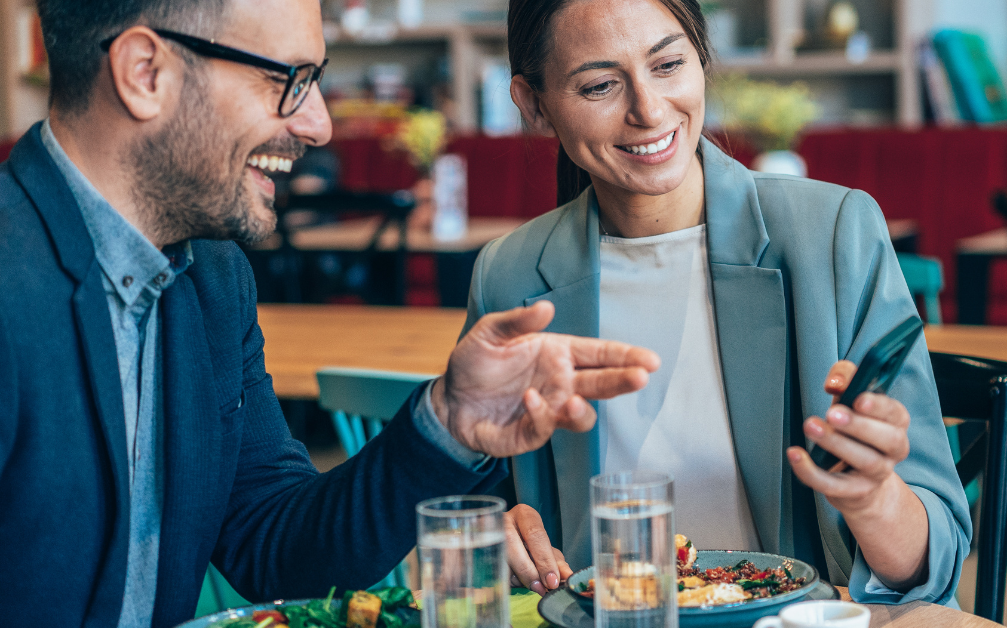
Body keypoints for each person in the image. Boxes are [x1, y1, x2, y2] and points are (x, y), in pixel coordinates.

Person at [0, 1, 659, 626]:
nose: (318, 124)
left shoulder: (212, 275)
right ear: (146, 73)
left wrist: (447, 424)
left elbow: (275, 544)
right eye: (288, 79)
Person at [465, 0, 972, 607]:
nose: (649, 111)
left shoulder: (832, 235)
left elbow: (936, 563)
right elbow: (484, 516)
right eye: (600, 85)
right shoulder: (509, 277)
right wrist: (492, 536)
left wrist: (874, 498)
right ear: (533, 103)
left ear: (701, 60)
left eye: (669, 64)